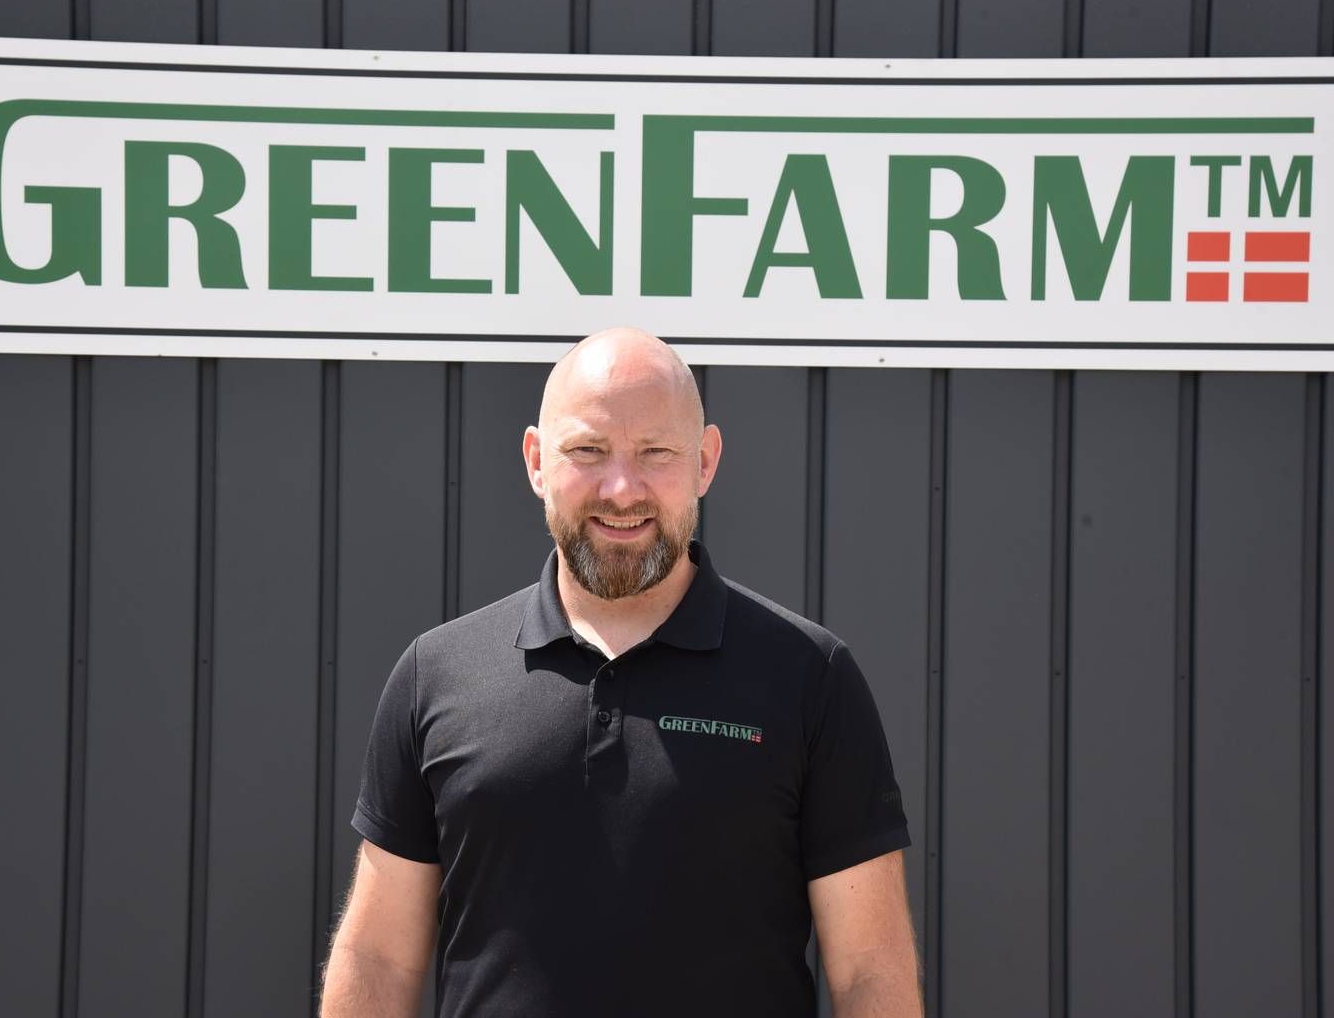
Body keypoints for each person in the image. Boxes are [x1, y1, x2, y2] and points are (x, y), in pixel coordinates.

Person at [321, 327, 922, 1017]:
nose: (621, 487)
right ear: (536, 460)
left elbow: (870, 974)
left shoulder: (810, 678)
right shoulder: (438, 675)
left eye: (655, 453)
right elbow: (378, 959)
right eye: (588, 450)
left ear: (705, 461)